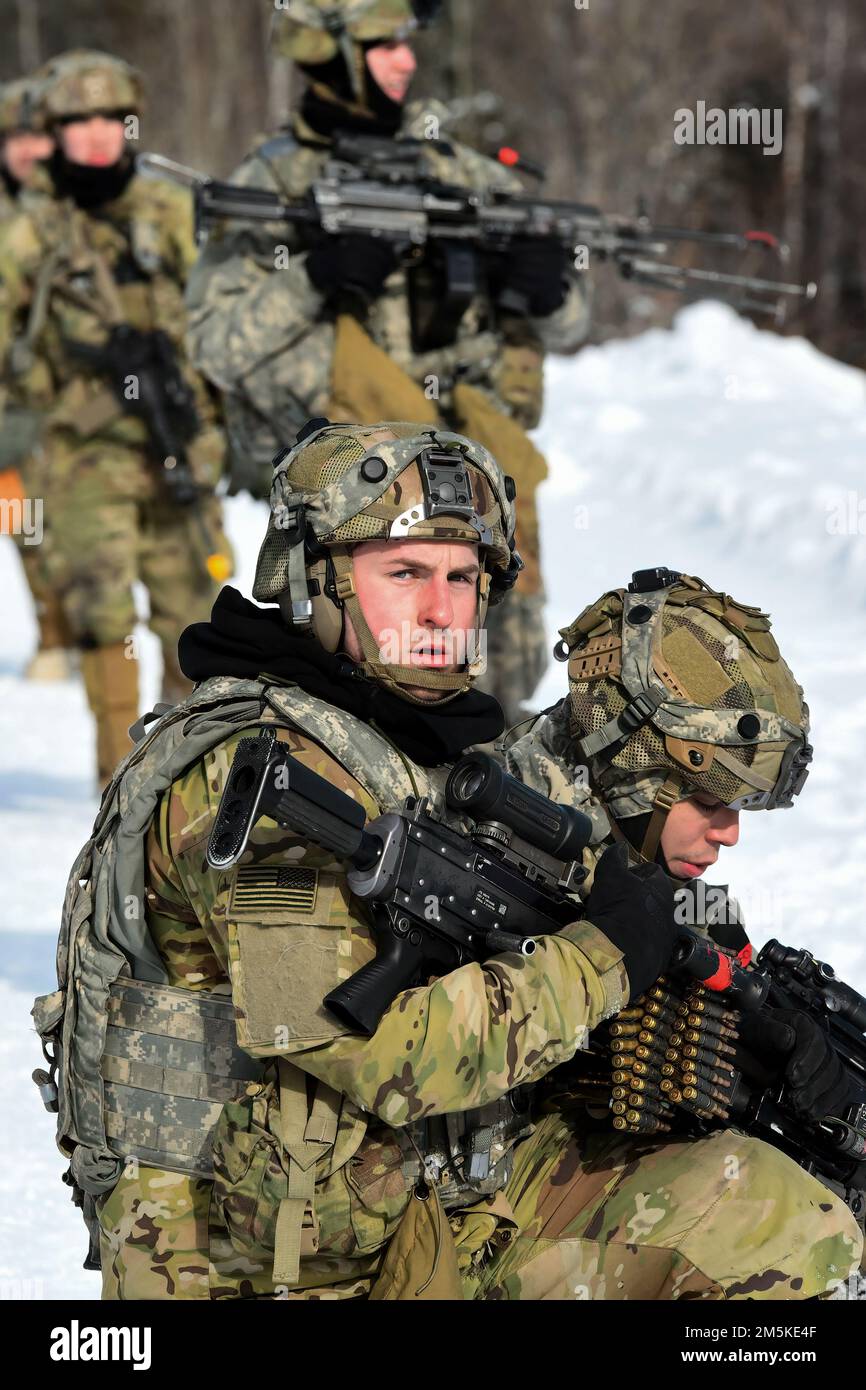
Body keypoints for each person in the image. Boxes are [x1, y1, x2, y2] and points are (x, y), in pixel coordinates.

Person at [34, 429, 857, 1301]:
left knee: (768, 1203)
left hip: (422, 1207)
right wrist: (606, 955)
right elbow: (385, 1055)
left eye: (461, 578)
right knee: (770, 1233)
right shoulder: (255, 779)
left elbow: (554, 821)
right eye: (404, 573)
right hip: (271, 1273)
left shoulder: (404, 742)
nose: (440, 611)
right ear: (322, 580)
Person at [186, 0, 591, 733]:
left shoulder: (456, 169)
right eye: (384, 45)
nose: (407, 59)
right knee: (351, 693)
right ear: (329, 51)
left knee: (489, 680)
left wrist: (547, 289)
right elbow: (216, 342)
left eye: (408, 43)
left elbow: (568, 319)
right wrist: (314, 277)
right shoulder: (273, 182)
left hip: (470, 487)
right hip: (357, 503)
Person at [500, 567, 864, 1297]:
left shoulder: (652, 870)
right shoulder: (504, 850)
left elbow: (730, 961)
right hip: (481, 1211)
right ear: (634, 761)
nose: (729, 833)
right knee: (788, 1236)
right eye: (708, 799)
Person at [0, 49, 233, 784]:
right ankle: (117, 780)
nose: (98, 134)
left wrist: (233, 425)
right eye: (78, 121)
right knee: (102, 617)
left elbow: (223, 323)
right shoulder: (33, 231)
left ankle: (188, 772)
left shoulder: (168, 210)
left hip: (177, 447)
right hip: (80, 455)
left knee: (196, 615)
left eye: (111, 117)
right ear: (55, 130)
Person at [0, 74, 75, 679]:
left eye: (36, 137)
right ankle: (55, 630)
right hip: (14, 402)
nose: (28, 150)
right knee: (28, 524)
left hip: (83, 398)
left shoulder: (72, 208)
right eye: (14, 138)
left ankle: (95, 630)